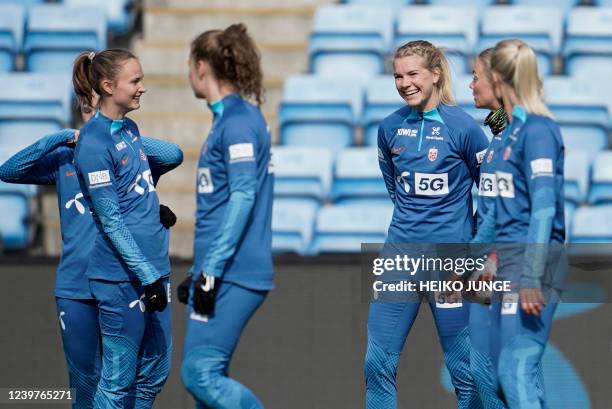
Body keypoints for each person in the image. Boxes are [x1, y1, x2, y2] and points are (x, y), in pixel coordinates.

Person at [0, 91, 182, 409]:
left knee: (137, 380)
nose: (94, 117)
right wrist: (60, 137)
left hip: (121, 279)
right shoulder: (64, 159)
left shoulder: (129, 150)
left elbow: (172, 154)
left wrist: (123, 135)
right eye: (88, 110)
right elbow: (9, 170)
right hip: (77, 288)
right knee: (86, 386)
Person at [366, 40, 489, 409]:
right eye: (397, 76)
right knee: (376, 364)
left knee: (465, 371)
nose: (404, 83)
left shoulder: (466, 128)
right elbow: (395, 188)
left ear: (435, 74)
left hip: (451, 263)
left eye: (413, 74)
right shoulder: (388, 128)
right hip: (399, 258)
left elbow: (494, 192)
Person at [72, 48, 178, 409]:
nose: (142, 88)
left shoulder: (130, 129)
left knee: (154, 374)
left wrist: (152, 209)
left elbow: (164, 161)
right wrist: (147, 276)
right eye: (135, 81)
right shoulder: (93, 142)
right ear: (107, 85)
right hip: (121, 279)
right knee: (117, 383)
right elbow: (110, 219)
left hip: (155, 270)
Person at [178, 24, 274, 409]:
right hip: (217, 269)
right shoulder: (227, 118)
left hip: (234, 271)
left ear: (202, 67)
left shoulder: (237, 122)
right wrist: (201, 269)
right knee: (208, 390)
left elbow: (242, 196)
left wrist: (212, 269)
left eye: (189, 65)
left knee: (199, 374)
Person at [487, 38, 566, 409]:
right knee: (510, 376)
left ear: (496, 77)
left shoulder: (538, 131)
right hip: (508, 261)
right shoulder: (510, 130)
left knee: (515, 368)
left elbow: (544, 209)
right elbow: (500, 207)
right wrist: (484, 263)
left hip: (533, 262)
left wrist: (532, 278)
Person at [468, 48, 509, 409]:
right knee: (481, 368)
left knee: (504, 371)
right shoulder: (497, 136)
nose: (471, 85)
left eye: (476, 76)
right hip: (487, 265)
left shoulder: (517, 136)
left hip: (504, 266)